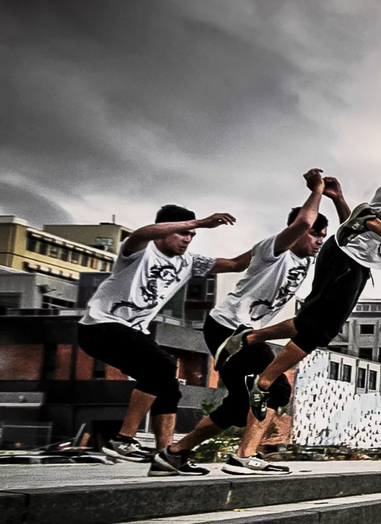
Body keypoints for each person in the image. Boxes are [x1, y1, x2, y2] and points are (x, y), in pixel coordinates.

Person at [149, 169, 329, 476]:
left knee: (237, 405)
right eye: (315, 235)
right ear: (296, 232)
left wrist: (338, 200)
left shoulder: (307, 262)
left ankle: (173, 455)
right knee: (276, 388)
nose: (318, 241)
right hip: (230, 327)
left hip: (244, 331)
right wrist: (318, 190)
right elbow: (303, 221)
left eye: (321, 237)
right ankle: (244, 456)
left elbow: (236, 263)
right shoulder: (274, 250)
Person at [76, 206, 245, 461]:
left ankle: (164, 456)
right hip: (100, 327)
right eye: (182, 233)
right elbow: (142, 233)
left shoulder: (189, 262)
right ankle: (123, 439)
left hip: (132, 332)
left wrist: (285, 242)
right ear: (166, 230)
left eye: (192, 235)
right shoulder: (139, 251)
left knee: (168, 386)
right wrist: (199, 222)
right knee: (164, 363)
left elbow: (235, 264)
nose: (187, 239)